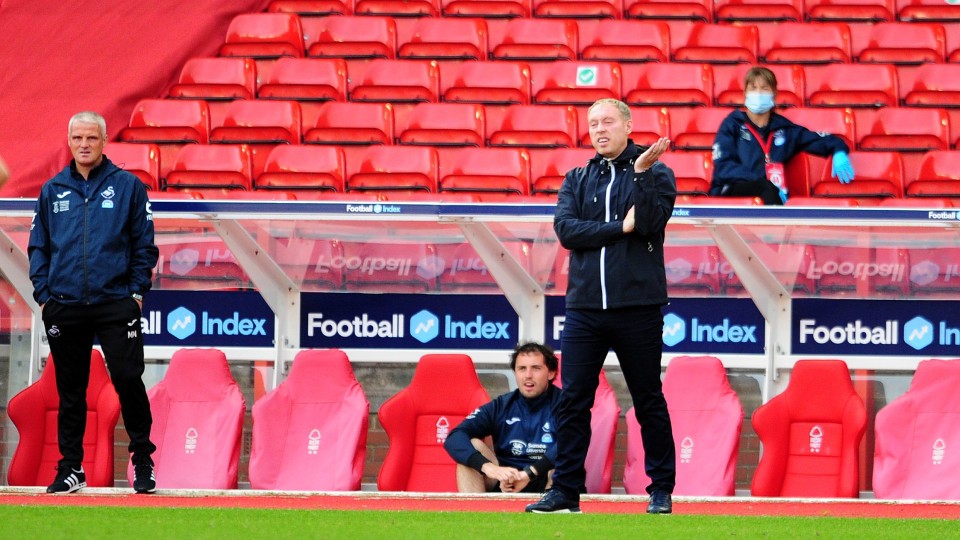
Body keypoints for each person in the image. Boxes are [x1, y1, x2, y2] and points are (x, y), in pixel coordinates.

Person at [526, 99, 676, 515]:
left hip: (638, 308)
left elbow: (647, 224)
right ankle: (566, 493)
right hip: (585, 310)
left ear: (627, 124)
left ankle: (660, 489)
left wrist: (642, 176)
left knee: (648, 400)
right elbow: (567, 231)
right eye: (593, 123)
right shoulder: (577, 177)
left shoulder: (656, 171)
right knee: (574, 401)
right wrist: (617, 228)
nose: (599, 129)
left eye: (608, 121)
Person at [28, 111, 160, 494]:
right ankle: (71, 468)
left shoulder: (128, 187)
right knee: (71, 390)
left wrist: (135, 294)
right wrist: (44, 297)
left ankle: (142, 459)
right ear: (68, 141)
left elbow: (144, 246)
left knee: (126, 379)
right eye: (77, 138)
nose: (84, 144)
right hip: (64, 305)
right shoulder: (52, 190)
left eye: (91, 138)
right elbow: (39, 247)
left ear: (104, 142)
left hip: (116, 302)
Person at [710, 66, 855, 205]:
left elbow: (820, 139)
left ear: (774, 94)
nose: (759, 93)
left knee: (770, 191)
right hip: (731, 192)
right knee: (766, 188)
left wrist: (839, 150)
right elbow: (724, 167)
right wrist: (762, 180)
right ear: (745, 94)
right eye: (753, 88)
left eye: (764, 89)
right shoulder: (732, 124)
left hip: (769, 194)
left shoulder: (784, 129)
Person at [444, 342, 562, 495]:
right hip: (506, 481)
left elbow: (574, 441)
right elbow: (454, 438)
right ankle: (473, 515)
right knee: (472, 448)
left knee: (564, 460)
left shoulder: (566, 404)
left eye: (536, 368)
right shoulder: (501, 406)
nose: (528, 375)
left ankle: (553, 514)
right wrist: (489, 468)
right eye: (522, 369)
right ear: (515, 373)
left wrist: (529, 473)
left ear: (551, 373)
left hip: (545, 478)